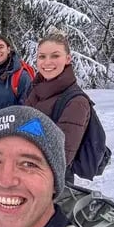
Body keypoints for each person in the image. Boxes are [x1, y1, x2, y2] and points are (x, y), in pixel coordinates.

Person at [25, 30, 90, 183]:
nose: (47, 62)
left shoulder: (76, 102)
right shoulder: (36, 89)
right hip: (26, 175)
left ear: (68, 59)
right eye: (42, 56)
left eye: (55, 56)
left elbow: (60, 159)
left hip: (52, 185)